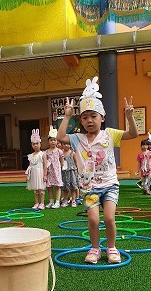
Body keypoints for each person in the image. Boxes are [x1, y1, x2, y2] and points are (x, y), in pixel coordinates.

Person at [56, 76, 138, 264]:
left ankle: (112, 248)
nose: (89, 121)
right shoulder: (77, 139)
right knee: (93, 219)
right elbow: (60, 136)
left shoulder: (110, 134)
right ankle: (95, 248)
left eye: (94, 116)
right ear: (81, 121)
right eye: (85, 117)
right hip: (89, 188)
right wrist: (67, 116)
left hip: (110, 185)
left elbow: (133, 134)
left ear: (102, 117)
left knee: (109, 218)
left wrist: (129, 117)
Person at [26, 129, 47, 209]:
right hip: (34, 173)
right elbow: (30, 166)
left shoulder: (42, 154)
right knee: (35, 189)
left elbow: (45, 165)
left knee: (41, 188)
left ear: (40, 144)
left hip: (40, 173)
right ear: (31, 145)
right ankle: (36, 202)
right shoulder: (31, 155)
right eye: (34, 144)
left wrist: (45, 175)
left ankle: (42, 203)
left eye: (37, 143)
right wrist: (28, 175)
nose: (35, 145)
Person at [44, 131, 65, 209]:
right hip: (49, 171)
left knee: (57, 186)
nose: (53, 142)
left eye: (54, 140)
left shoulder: (59, 151)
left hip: (57, 171)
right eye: (51, 140)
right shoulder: (46, 152)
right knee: (49, 187)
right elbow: (45, 162)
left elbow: (62, 161)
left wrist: (61, 168)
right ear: (48, 141)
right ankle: (51, 201)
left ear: (57, 141)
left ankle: (57, 201)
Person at [60, 141, 80, 207]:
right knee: (65, 187)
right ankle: (65, 200)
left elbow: (76, 162)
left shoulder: (72, 153)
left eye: (67, 144)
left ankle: (73, 200)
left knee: (73, 187)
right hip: (64, 172)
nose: (66, 145)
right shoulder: (61, 153)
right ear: (62, 145)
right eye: (64, 144)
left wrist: (77, 171)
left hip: (72, 172)